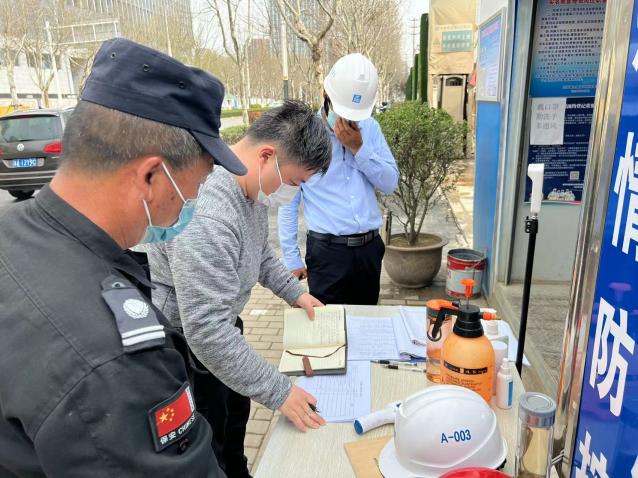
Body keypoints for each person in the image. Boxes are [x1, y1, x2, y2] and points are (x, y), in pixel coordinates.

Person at [0, 38, 247, 477]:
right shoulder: (117, 360)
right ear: (151, 175)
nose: (193, 201)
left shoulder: (14, 230)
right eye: (196, 186)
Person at [138, 100, 332, 478]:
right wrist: (281, 392)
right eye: (294, 182)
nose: (291, 193)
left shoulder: (250, 188)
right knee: (208, 443)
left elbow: (260, 253)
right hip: (185, 349)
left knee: (235, 420)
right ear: (266, 155)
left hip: (223, 329)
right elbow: (205, 330)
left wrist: (295, 293)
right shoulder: (209, 214)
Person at [278, 53, 399, 305]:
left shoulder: (370, 129)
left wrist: (359, 149)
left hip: (369, 250)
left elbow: (389, 183)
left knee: (366, 321)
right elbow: (287, 202)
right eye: (342, 112)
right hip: (327, 254)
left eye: (355, 116)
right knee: (327, 325)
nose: (348, 121)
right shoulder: (303, 136)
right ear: (325, 95)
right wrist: (291, 258)